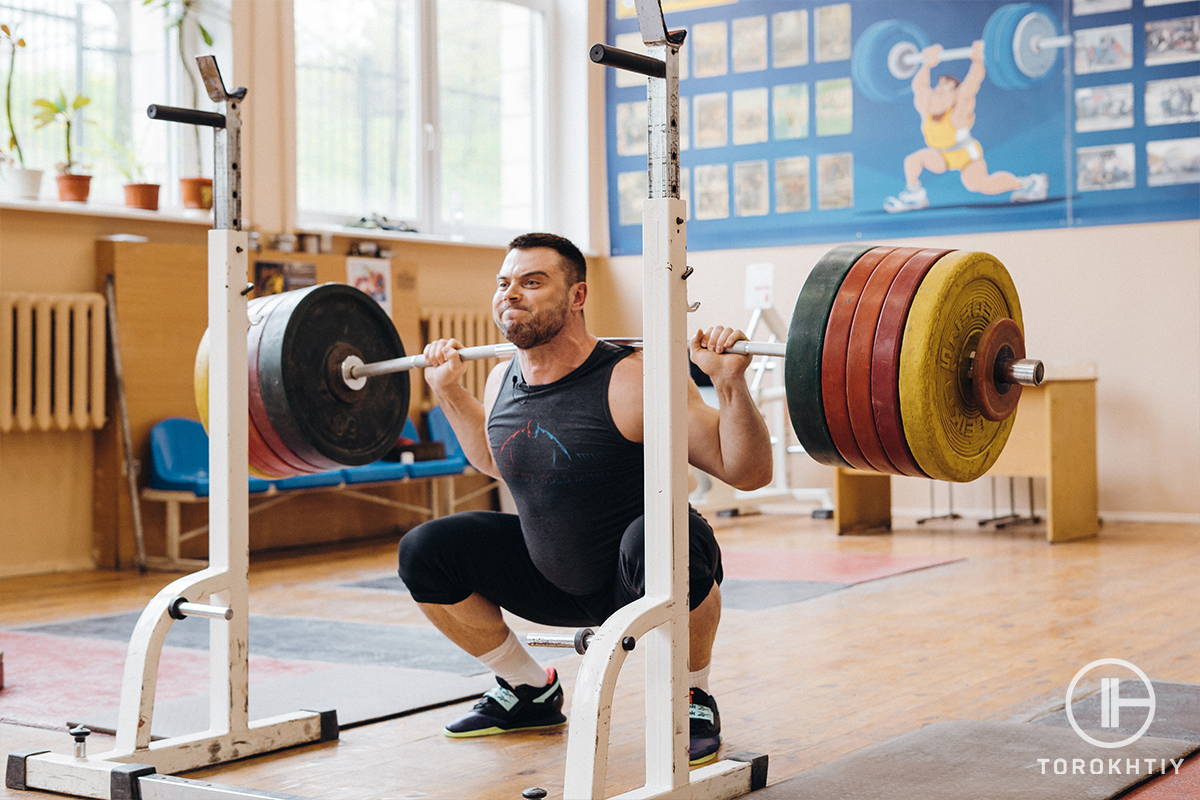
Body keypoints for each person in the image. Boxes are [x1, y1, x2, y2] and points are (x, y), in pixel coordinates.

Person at [397, 232, 772, 766]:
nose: (511, 294)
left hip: (641, 575)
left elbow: (748, 472)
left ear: (577, 296)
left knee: (664, 535)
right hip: (549, 578)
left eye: (532, 282)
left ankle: (692, 695)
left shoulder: (632, 377)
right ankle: (528, 690)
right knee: (426, 548)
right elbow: (495, 458)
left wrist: (732, 384)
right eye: (504, 283)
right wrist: (450, 392)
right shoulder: (502, 374)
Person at [884, 41, 1048, 212]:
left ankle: (1029, 183)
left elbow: (970, 87)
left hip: (965, 155)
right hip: (941, 155)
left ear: (955, 96)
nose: (938, 93)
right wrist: (926, 64)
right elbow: (920, 87)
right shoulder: (927, 111)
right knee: (913, 161)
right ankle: (915, 195)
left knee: (979, 184)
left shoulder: (958, 114)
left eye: (945, 90)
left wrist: (978, 61)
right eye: (937, 89)